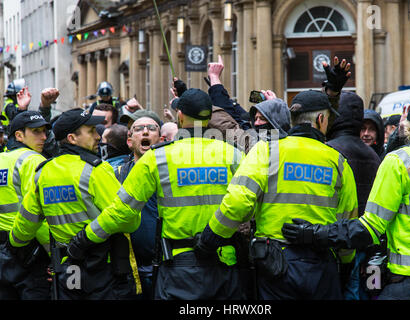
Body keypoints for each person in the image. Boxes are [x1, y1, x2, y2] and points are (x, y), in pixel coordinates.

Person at [69, 88, 245, 300]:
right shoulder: (233, 154)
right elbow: (245, 202)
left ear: (179, 115)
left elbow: (123, 211)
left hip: (179, 269)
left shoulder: (158, 158)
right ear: (209, 116)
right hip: (225, 262)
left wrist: (84, 238)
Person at [196, 86, 359, 301]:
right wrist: (345, 264)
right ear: (321, 119)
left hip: (275, 265)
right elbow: (347, 220)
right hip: (321, 266)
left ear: (293, 119)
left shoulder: (266, 151)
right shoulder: (338, 162)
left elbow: (238, 202)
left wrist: (210, 238)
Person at [281, 100, 410, 300]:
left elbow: (369, 228)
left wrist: (315, 233)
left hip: (409, 282)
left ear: (408, 127)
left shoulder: (398, 162)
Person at [8, 108, 137, 300]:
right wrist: (88, 236)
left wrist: (12, 245)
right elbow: (129, 219)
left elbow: (24, 227)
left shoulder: (43, 173)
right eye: (91, 131)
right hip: (103, 268)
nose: (97, 136)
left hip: (68, 268)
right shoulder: (96, 170)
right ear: (72, 138)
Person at [326, 91, 382, 299]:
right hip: (367, 242)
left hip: (335, 241)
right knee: (362, 293)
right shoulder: (374, 156)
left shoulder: (328, 152)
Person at [0, 111, 51, 299]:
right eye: (36, 132)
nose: (44, 137)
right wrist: (55, 255)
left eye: (45, 131)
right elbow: (38, 213)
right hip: (29, 252)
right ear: (19, 136)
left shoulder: (2, 159)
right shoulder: (33, 160)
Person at [115, 116, 163, 299]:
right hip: (128, 269)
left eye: (151, 128)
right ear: (129, 141)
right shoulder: (116, 174)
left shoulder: (169, 173)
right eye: (138, 129)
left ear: (161, 139)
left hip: (165, 265)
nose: (145, 132)